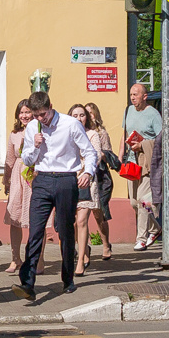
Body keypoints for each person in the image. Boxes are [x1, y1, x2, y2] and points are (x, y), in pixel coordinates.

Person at [18, 91, 96, 301]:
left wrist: (88, 172)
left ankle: (68, 278)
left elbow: (89, 151)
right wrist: (34, 145)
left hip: (65, 179)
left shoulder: (70, 124)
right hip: (41, 179)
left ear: (51, 106)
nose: (40, 119)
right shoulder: (33, 126)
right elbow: (26, 158)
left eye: (43, 114)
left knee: (64, 231)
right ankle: (28, 282)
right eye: (36, 115)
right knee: (35, 231)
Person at [73, 102, 115, 274]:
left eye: (82, 115)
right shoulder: (67, 134)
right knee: (75, 222)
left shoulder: (93, 135)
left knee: (83, 220)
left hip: (88, 180)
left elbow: (96, 156)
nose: (79, 118)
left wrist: (85, 170)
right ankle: (85, 250)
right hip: (70, 180)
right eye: (75, 115)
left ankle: (81, 262)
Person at [123, 83, 163, 251]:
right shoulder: (128, 111)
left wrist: (143, 145)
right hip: (131, 161)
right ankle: (155, 229)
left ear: (144, 96)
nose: (133, 97)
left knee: (143, 200)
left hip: (147, 160)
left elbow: (162, 139)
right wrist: (120, 156)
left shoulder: (154, 115)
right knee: (134, 202)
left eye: (136, 95)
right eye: (131, 94)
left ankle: (141, 238)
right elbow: (124, 133)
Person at [4, 98, 39, 275]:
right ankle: (15, 258)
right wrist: (6, 179)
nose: (24, 115)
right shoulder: (15, 134)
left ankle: (37, 259)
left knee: (36, 218)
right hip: (18, 175)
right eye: (22, 112)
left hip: (35, 174)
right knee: (15, 217)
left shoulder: (40, 131)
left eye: (27, 112)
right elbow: (10, 159)